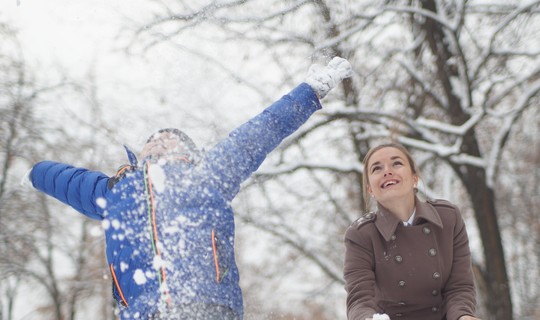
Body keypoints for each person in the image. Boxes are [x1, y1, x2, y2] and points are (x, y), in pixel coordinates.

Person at [29, 57, 352, 320]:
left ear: (188, 153)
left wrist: (308, 93)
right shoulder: (116, 190)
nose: (158, 141)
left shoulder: (209, 174)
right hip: (143, 311)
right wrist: (32, 171)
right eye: (151, 140)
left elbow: (260, 132)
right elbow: (65, 180)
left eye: (169, 138)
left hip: (205, 303)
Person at [343, 142, 481, 320]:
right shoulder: (360, 235)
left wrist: (463, 316)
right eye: (377, 168)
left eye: (397, 163)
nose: (387, 171)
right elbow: (359, 301)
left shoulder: (448, 218)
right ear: (370, 189)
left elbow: (459, 287)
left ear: (414, 178)